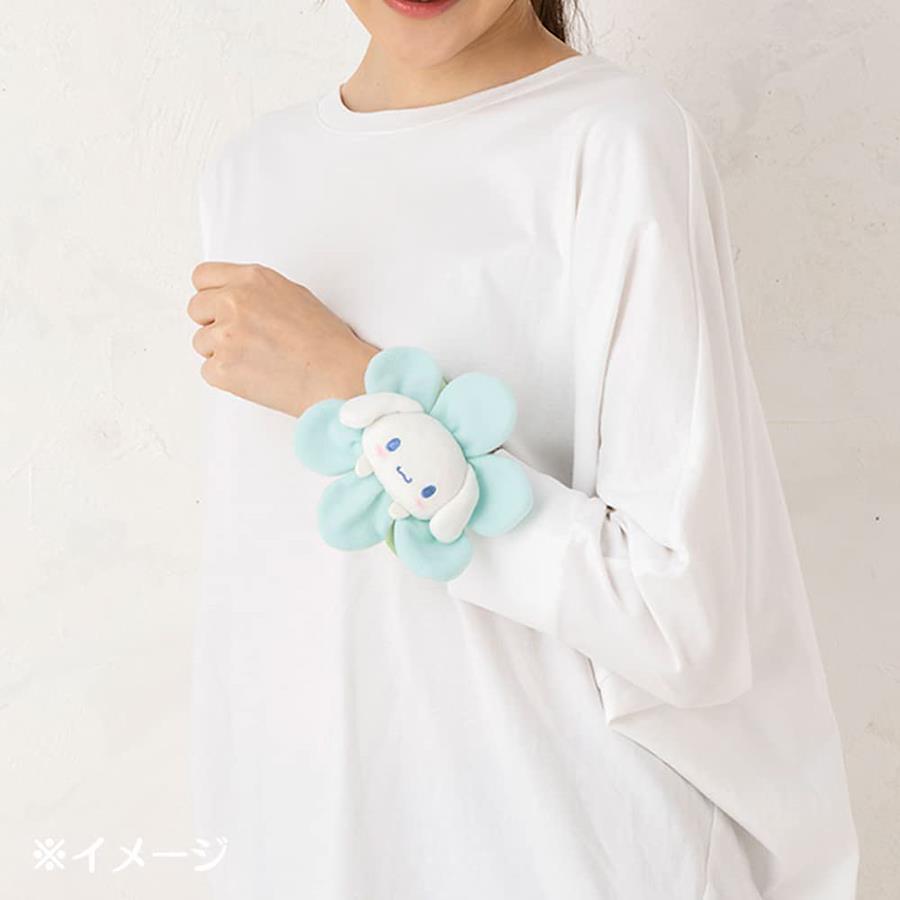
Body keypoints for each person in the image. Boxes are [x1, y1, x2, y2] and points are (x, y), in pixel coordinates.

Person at [186, 1, 859, 898]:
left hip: (564, 845)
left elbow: (678, 619)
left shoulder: (616, 140)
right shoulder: (250, 174)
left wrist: (355, 390)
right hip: (317, 846)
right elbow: (268, 607)